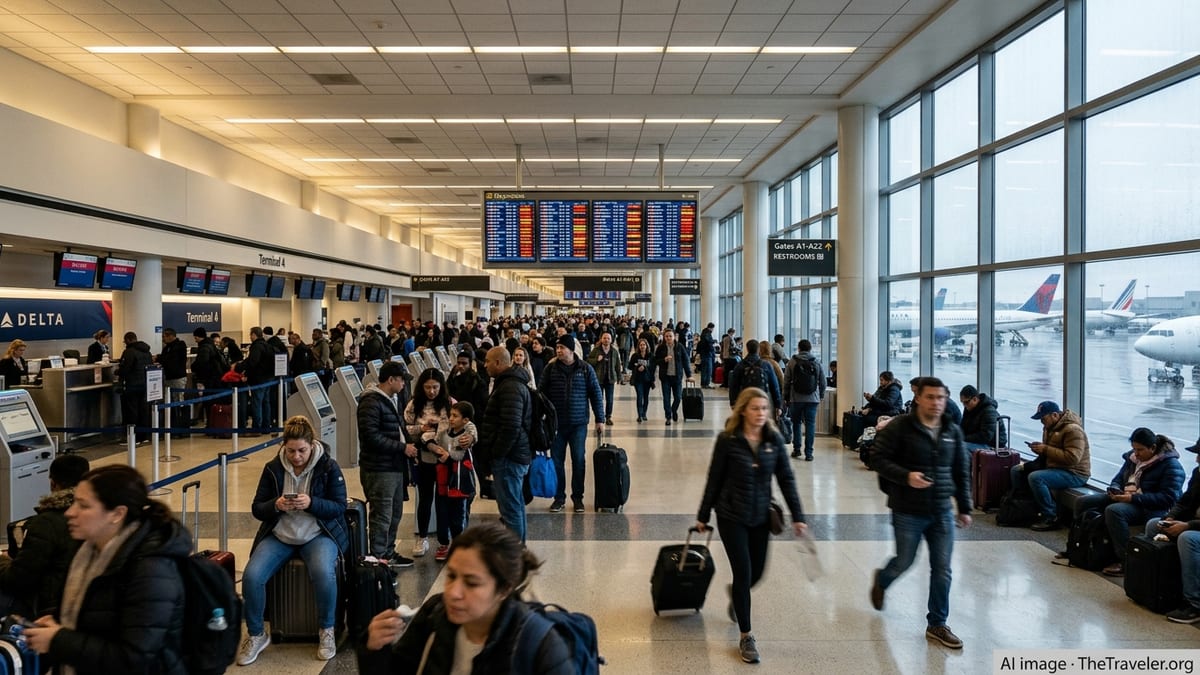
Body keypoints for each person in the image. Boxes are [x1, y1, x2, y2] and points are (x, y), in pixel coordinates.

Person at [23, 465, 191, 674]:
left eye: (83, 506)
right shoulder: (86, 551)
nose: (70, 512)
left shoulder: (151, 570)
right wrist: (56, 622)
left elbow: (133, 659)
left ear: (117, 514)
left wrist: (58, 640)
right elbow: (94, 618)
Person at [363, 522, 572, 673]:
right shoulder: (435, 615)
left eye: (472, 583)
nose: (453, 592)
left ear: (504, 589)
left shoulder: (540, 646)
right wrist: (375, 649)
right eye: (451, 576)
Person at [695, 386, 807, 665]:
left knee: (757, 573)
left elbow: (786, 479)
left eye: (764, 409)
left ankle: (737, 596)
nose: (760, 414)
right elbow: (714, 478)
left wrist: (798, 515)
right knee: (744, 573)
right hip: (731, 515)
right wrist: (703, 514)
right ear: (743, 410)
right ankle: (746, 635)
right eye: (755, 408)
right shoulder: (728, 440)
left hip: (760, 516)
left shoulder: (774, 440)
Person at [869, 376, 972, 650]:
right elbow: (876, 458)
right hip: (908, 509)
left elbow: (961, 470)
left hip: (941, 511)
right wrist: (906, 476)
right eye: (930, 397)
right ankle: (882, 579)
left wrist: (964, 507)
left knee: (942, 569)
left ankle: (937, 623)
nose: (936, 403)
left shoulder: (952, 430)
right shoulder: (901, 427)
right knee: (905, 560)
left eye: (941, 397)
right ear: (918, 398)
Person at [237, 415, 350, 665]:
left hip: (318, 534)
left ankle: (327, 629)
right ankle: (256, 634)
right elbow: (257, 508)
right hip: (281, 535)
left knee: (323, 572)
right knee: (253, 576)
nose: (296, 457)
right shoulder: (272, 468)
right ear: (283, 447)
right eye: (290, 451)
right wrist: (275, 505)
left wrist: (312, 503)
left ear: (312, 445)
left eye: (302, 450)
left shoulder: (328, 467)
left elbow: (339, 506)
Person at [1064, 428, 1184, 576]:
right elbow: (1119, 478)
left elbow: (1168, 498)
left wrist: (1132, 498)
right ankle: (1078, 544)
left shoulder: (1171, 466)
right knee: (1083, 502)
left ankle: (1125, 559)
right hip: (1128, 497)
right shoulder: (1132, 459)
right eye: (1134, 449)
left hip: (1148, 506)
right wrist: (1115, 489)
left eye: (1140, 450)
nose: (1136, 453)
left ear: (1153, 448)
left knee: (1114, 511)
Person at [0, 454, 89, 618]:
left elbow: (17, 580)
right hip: (85, 600)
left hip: (49, 605)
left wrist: (3, 561)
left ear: (53, 483)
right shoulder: (97, 515)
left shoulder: (47, 523)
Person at [357, 360, 415, 568]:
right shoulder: (371, 402)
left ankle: (388, 553)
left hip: (394, 466)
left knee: (394, 514)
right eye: (401, 381)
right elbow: (371, 436)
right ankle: (378, 560)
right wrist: (402, 448)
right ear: (391, 380)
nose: (403, 385)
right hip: (379, 469)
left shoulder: (389, 399)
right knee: (382, 516)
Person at [540, 335, 604, 513]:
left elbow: (595, 394)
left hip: (578, 424)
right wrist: (541, 416)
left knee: (578, 460)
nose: (558, 350)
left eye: (562, 347)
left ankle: (578, 498)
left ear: (571, 350)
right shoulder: (550, 369)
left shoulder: (585, 369)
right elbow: (541, 394)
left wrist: (600, 419)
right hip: (557, 425)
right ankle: (559, 498)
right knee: (557, 462)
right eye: (557, 347)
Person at [476, 347, 533, 542]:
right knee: (514, 505)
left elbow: (511, 426)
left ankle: (515, 555)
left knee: (510, 508)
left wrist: (497, 453)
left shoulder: (509, 387)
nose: (485, 365)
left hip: (510, 457)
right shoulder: (510, 383)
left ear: (499, 363)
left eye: (488, 361)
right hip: (514, 454)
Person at [1145, 437, 1200, 624]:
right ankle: (1159, 589)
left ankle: (1194, 603)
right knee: (1154, 524)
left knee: (1188, 539)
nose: (1197, 459)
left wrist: (1188, 526)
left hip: (1193, 528)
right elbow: (1184, 502)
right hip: (1192, 522)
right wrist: (1170, 518)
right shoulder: (1198, 473)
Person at [1015, 401, 1092, 531]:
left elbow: (1073, 458)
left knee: (1036, 478)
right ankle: (1023, 508)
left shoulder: (1073, 430)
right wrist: (1039, 449)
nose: (1042, 422)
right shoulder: (1049, 428)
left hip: (1075, 473)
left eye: (1043, 418)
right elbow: (1051, 450)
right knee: (1017, 470)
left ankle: (1051, 516)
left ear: (1054, 415)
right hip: (1056, 467)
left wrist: (1045, 449)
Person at [406, 368, 456, 559]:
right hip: (423, 458)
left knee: (443, 500)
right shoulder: (413, 405)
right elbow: (408, 428)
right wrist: (422, 429)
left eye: (435, 387)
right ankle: (423, 536)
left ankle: (444, 540)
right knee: (425, 499)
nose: (431, 391)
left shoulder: (449, 403)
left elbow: (455, 428)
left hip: (443, 459)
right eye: (427, 387)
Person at [426, 401, 478, 561]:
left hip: (459, 482)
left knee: (458, 515)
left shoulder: (465, 437)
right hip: (443, 480)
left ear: (465, 420)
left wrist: (446, 457)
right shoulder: (443, 434)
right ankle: (443, 543)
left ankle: (459, 542)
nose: (451, 419)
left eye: (455, 416)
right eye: (451, 415)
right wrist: (432, 446)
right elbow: (435, 444)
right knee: (442, 513)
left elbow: (458, 455)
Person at [783, 339, 826, 461]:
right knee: (810, 425)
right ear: (810, 348)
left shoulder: (792, 362)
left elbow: (786, 381)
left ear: (799, 348)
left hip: (796, 398)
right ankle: (809, 453)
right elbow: (822, 381)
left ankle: (797, 450)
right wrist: (821, 395)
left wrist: (786, 397)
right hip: (812, 398)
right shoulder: (816, 362)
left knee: (796, 423)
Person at [115, 331, 153, 443]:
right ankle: (144, 436)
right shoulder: (147, 351)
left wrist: (117, 371)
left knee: (131, 411)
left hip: (132, 385)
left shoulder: (129, 352)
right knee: (143, 411)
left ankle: (132, 437)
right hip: (145, 385)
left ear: (128, 340)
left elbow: (125, 369)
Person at [727, 340, 781, 415]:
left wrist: (733, 403)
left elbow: (733, 386)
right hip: (763, 400)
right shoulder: (766, 365)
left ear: (747, 349)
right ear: (758, 349)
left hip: (745, 400)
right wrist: (778, 405)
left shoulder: (740, 365)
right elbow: (774, 386)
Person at [236, 327, 274, 431]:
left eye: (250, 335)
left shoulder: (256, 346)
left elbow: (253, 362)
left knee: (257, 402)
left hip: (259, 379)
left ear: (254, 335)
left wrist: (242, 369)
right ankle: (266, 425)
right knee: (266, 402)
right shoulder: (268, 345)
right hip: (268, 378)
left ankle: (257, 426)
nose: (250, 337)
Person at [655, 329, 692, 425]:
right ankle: (668, 416)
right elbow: (655, 361)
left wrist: (689, 375)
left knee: (678, 397)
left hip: (677, 377)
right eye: (666, 336)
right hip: (665, 377)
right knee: (666, 398)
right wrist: (664, 360)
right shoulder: (661, 347)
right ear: (664, 337)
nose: (668, 338)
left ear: (674, 336)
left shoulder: (679, 347)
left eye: (670, 336)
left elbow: (686, 361)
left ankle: (673, 410)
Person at [587, 331, 622, 425]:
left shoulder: (614, 351)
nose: (606, 340)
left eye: (608, 338)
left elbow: (617, 365)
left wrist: (619, 376)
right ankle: (600, 417)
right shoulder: (596, 350)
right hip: (599, 379)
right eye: (604, 338)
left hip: (610, 379)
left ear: (611, 340)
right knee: (599, 399)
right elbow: (588, 361)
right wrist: (596, 360)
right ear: (601, 339)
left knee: (609, 399)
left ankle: (608, 417)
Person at [958, 385, 1005, 452]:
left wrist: (963, 438)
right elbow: (963, 427)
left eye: (966, 402)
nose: (964, 405)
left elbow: (986, 436)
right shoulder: (969, 408)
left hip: (993, 446)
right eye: (962, 402)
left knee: (959, 447)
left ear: (975, 399)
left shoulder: (989, 411)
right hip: (979, 442)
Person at [627, 338, 656, 424]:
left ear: (647, 346)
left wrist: (646, 368)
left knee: (646, 397)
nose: (642, 347)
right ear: (638, 346)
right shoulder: (635, 356)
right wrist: (637, 367)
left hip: (647, 379)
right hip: (638, 379)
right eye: (641, 345)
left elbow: (653, 368)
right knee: (639, 396)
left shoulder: (651, 356)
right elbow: (630, 366)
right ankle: (639, 415)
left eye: (644, 345)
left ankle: (644, 413)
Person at [697, 323, 717, 388]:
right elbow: (709, 342)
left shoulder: (703, 332)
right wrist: (713, 342)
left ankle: (703, 383)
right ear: (711, 328)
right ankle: (706, 383)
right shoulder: (707, 333)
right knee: (708, 369)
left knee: (704, 369)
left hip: (704, 353)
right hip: (707, 353)